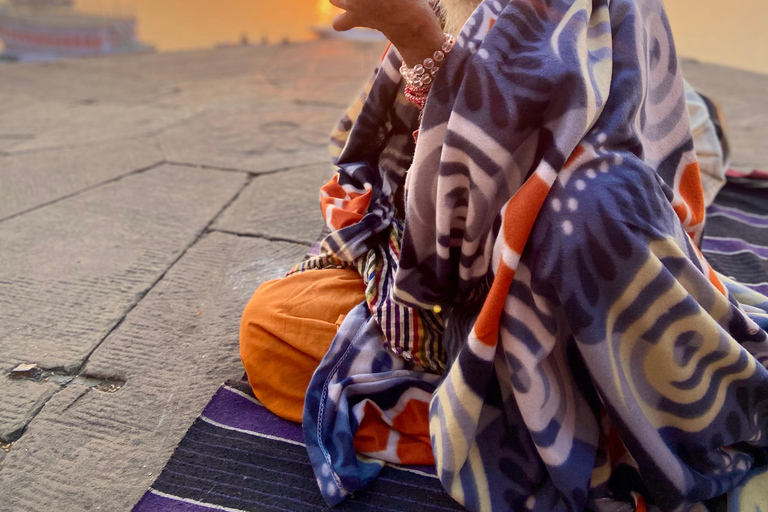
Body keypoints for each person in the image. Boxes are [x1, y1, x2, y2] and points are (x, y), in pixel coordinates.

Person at [240, 0, 768, 510]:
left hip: (579, 250)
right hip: (474, 280)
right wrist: (419, 49)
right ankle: (490, 395)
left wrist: (420, 39)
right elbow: (395, 169)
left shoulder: (598, 193)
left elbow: (489, 195)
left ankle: (518, 410)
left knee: (601, 204)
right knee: (273, 322)